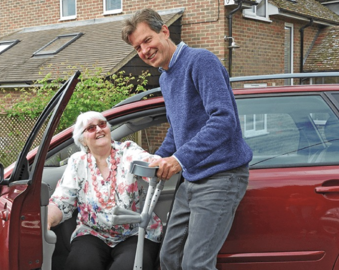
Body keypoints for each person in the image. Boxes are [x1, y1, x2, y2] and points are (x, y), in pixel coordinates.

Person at [122, 8, 253, 270]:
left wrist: (180, 158)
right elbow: (178, 128)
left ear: (164, 31)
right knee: (169, 257)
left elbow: (224, 120)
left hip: (221, 176)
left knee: (196, 265)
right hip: (192, 178)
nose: (144, 51)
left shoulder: (200, 61)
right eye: (137, 47)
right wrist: (158, 156)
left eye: (147, 40)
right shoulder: (166, 77)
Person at [47, 111, 163, 270]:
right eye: (91, 128)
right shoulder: (77, 162)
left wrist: (156, 165)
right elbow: (61, 202)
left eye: (102, 124)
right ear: (83, 139)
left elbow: (148, 163)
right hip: (92, 232)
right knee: (80, 265)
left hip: (135, 232)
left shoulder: (127, 151)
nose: (99, 129)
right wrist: (46, 221)